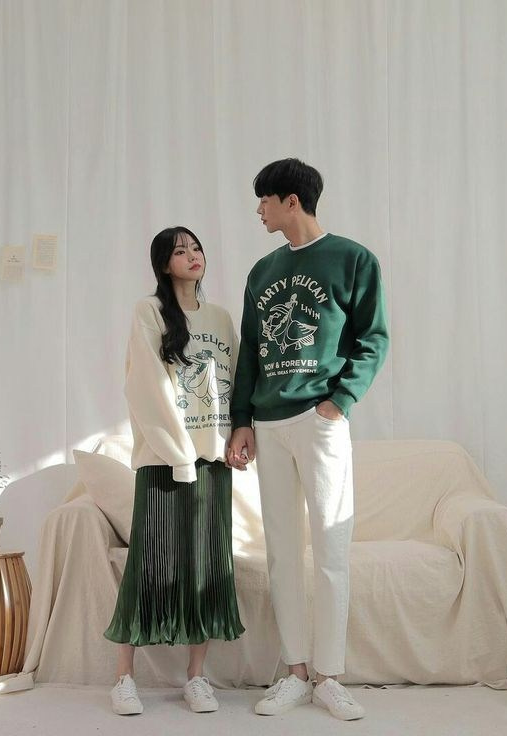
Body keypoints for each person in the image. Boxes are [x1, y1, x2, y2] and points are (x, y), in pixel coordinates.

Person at [228, 158, 389, 721]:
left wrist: (338, 403)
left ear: (290, 201)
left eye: (265, 200)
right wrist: (242, 420)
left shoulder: (352, 258)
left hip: (320, 422)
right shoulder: (262, 271)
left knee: (331, 549)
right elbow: (251, 351)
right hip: (269, 425)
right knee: (281, 552)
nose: (259, 210)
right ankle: (296, 672)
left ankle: (330, 676)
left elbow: (373, 338)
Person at [105, 226, 245, 715]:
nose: (192, 255)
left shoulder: (221, 318)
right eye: (180, 250)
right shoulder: (149, 312)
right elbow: (145, 386)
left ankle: (196, 677)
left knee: (205, 565)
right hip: (164, 461)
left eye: (197, 247)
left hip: (212, 464)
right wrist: (180, 453)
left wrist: (238, 436)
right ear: (164, 263)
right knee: (149, 565)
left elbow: (236, 382)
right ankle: (123, 678)